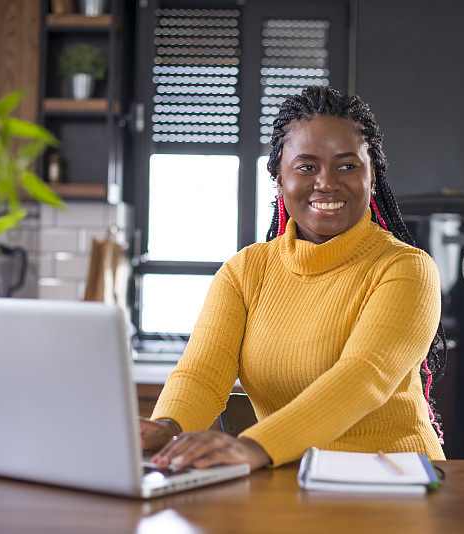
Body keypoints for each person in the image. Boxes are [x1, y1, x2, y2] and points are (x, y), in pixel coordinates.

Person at [142, 86, 446, 471]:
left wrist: (254, 446)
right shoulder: (245, 272)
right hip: (292, 479)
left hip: (394, 479)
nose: (327, 183)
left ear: (373, 177)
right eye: (306, 166)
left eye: (347, 165)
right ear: (280, 178)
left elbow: (363, 377)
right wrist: (166, 428)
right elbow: (202, 374)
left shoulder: (404, 268)